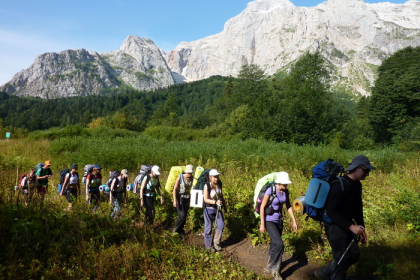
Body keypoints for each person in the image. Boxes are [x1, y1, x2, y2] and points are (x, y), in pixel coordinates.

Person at [315, 155, 375, 280]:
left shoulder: (357, 185)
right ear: (357, 168)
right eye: (366, 170)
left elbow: (358, 207)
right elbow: (332, 211)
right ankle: (336, 276)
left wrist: (361, 227)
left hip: (347, 224)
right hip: (334, 226)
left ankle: (324, 272)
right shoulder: (339, 185)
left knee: (354, 254)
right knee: (343, 258)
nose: (367, 174)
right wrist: (351, 227)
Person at [259, 172, 298, 280]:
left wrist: (294, 221)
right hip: (269, 220)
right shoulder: (270, 190)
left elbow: (288, 206)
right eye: (284, 183)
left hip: (279, 220)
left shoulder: (285, 191)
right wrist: (262, 224)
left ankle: (269, 265)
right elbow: (262, 207)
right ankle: (275, 271)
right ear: (279, 182)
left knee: (274, 244)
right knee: (279, 244)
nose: (286, 185)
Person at [203, 169, 226, 252]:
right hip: (208, 209)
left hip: (218, 208)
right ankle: (208, 246)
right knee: (208, 227)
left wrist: (225, 206)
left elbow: (221, 195)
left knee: (220, 225)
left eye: (217, 177)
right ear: (210, 177)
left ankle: (216, 243)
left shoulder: (219, 184)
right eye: (215, 177)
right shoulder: (207, 186)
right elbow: (205, 199)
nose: (216, 178)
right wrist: (215, 202)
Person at [172, 165, 194, 237]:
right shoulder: (180, 177)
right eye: (188, 173)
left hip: (187, 198)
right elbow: (175, 189)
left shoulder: (192, 178)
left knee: (185, 216)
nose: (189, 174)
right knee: (182, 215)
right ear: (186, 172)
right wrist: (174, 200)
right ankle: (174, 231)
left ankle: (181, 231)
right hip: (179, 198)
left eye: (191, 173)